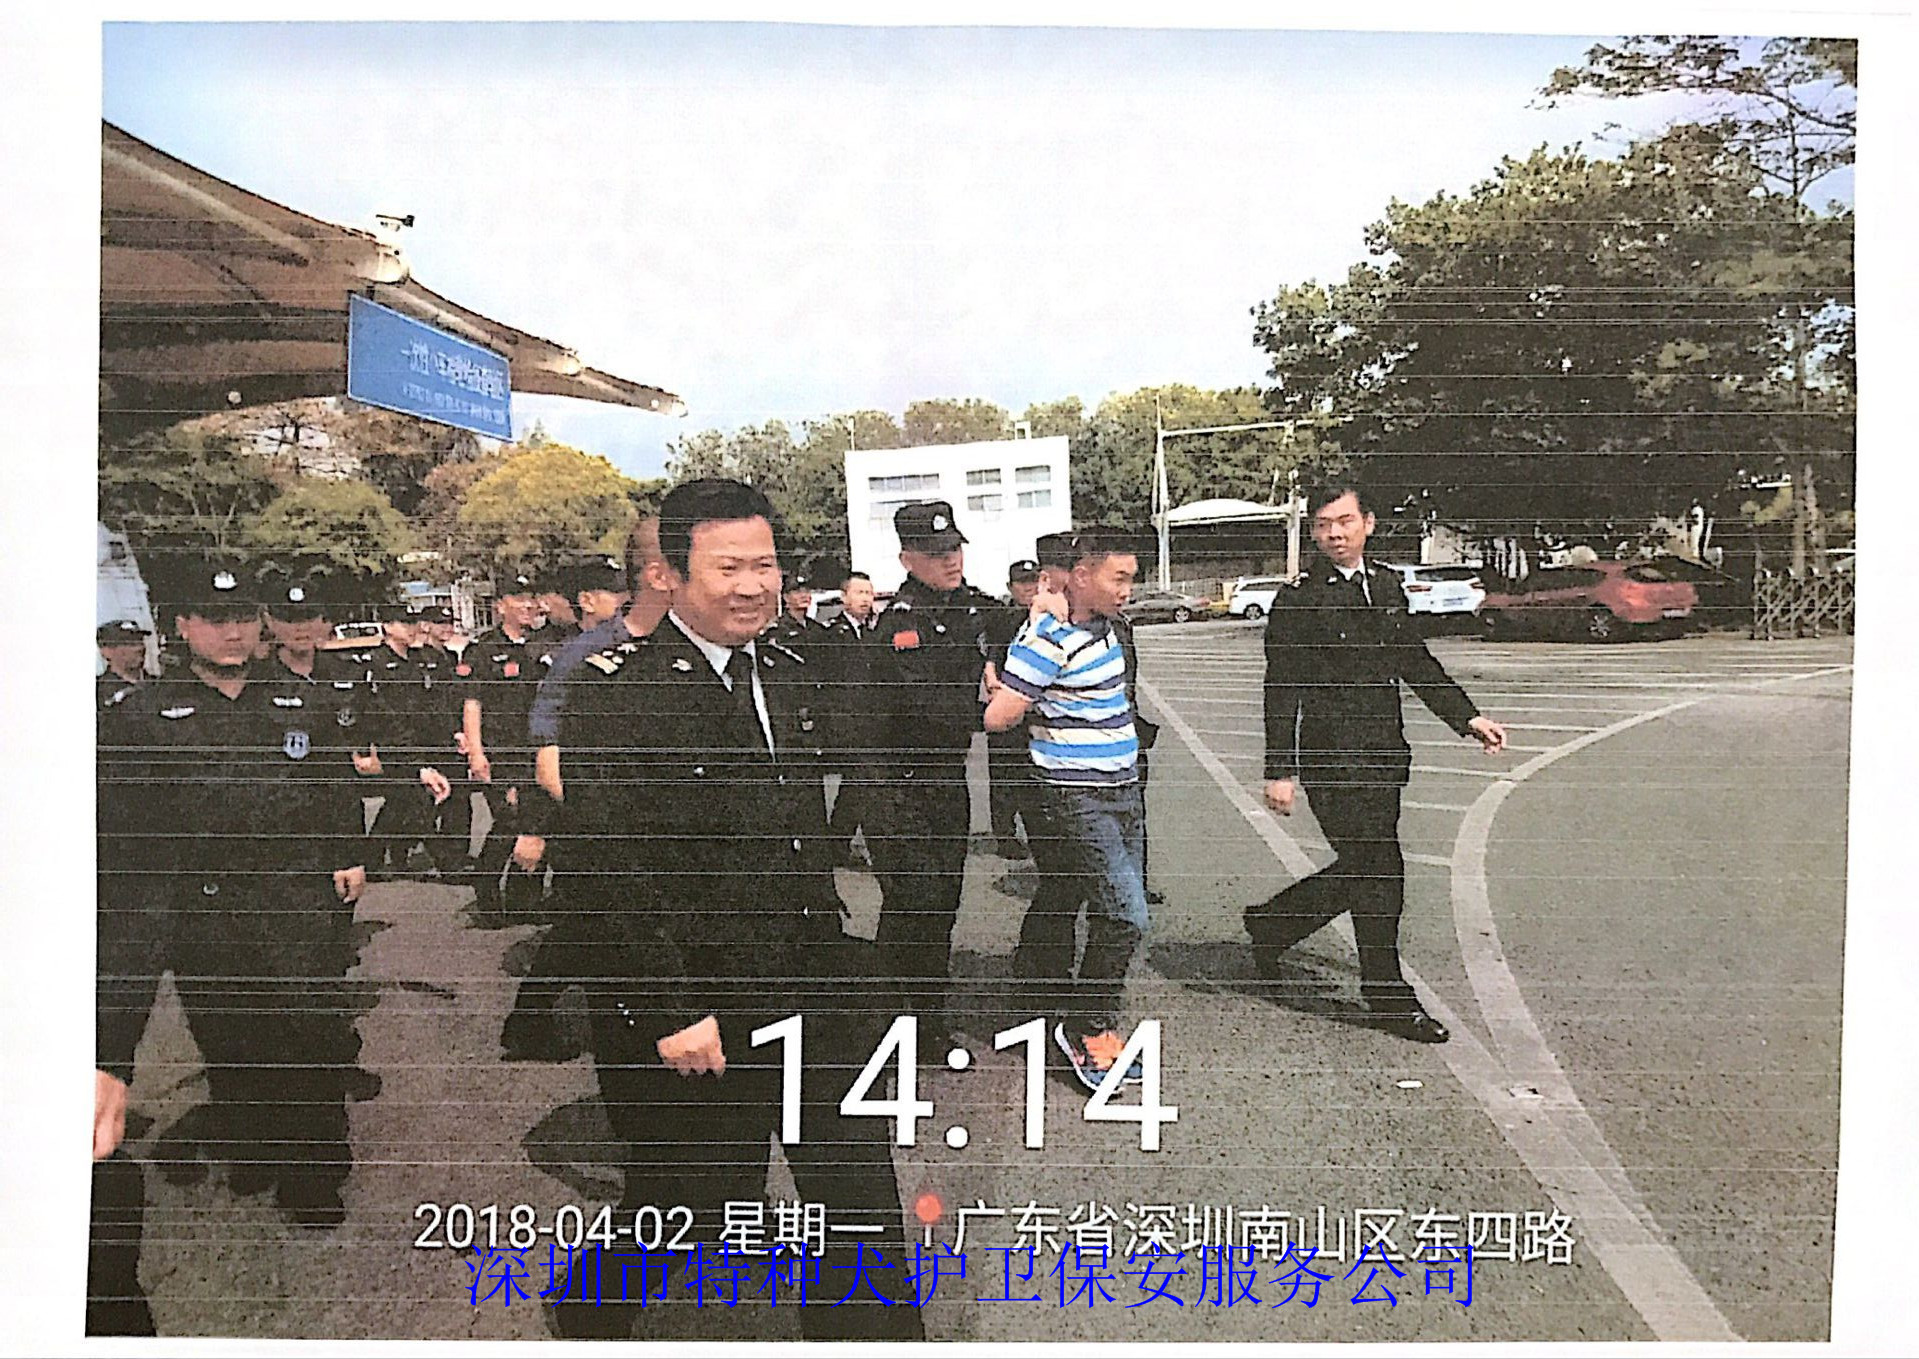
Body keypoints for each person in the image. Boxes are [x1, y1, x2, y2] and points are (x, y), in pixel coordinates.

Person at [550, 479, 922, 1341]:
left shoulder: (785, 672)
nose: (753, 585)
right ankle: (590, 1309)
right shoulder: (619, 696)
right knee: (690, 1187)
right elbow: (608, 869)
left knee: (854, 1188)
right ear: (670, 575)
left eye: (765, 564)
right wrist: (670, 1010)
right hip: (705, 989)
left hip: (812, 973)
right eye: (728, 567)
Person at [97, 560, 369, 1228]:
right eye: (215, 619)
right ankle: (256, 1145)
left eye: (243, 617)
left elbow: (333, 783)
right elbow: (126, 828)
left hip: (294, 899)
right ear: (182, 625)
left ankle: (315, 1173)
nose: (232, 632)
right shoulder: (142, 715)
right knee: (231, 1039)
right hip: (205, 908)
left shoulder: (298, 699)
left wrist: (348, 852)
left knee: (309, 1037)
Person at [1246, 482, 1509, 1043]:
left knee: (1368, 867)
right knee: (1380, 869)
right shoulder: (1299, 599)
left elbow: (1415, 660)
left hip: (1384, 753)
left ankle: (1274, 923)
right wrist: (1280, 770)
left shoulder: (1387, 585)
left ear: (1368, 523)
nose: (1334, 534)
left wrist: (1467, 717)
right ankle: (1387, 996)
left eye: (1344, 521)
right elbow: (1281, 687)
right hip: (1330, 759)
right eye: (1323, 525)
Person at [984, 531, 1150, 1089]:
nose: (1128, 590)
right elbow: (999, 717)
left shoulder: (1107, 628)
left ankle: (1096, 1027)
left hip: (1123, 790)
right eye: (1118, 578)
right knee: (1128, 915)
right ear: (1082, 576)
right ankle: (1083, 1029)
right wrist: (1022, 676)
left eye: (1131, 579)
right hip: (1077, 797)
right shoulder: (1047, 638)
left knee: (1111, 913)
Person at [501, 518, 671, 1062]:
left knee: (590, 934)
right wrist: (551, 828)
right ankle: (532, 1025)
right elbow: (548, 758)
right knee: (588, 932)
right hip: (600, 835)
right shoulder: (584, 657)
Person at [861, 501, 1002, 1052]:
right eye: (937, 553)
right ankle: (887, 1022)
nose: (951, 560)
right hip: (896, 784)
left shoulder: (970, 607)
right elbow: (928, 704)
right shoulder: (900, 625)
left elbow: (1010, 623)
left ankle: (927, 1020)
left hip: (945, 780)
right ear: (907, 559)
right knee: (910, 905)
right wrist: (991, 713)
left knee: (943, 902)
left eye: (955, 548)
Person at [459, 569, 549, 919]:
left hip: (535, 750)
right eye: (519, 599)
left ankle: (524, 895)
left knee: (534, 819)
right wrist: (477, 753)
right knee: (510, 819)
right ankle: (485, 883)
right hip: (500, 751)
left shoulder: (540, 646)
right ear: (500, 606)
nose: (527, 605)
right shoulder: (483, 650)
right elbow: (472, 703)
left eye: (531, 598)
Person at [982, 558, 1042, 860]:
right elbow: (990, 657)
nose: (1029, 588)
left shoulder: (1048, 617)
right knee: (1005, 773)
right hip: (1007, 704)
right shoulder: (1003, 619)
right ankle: (1004, 834)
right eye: (1022, 583)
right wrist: (993, 683)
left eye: (1033, 581)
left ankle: (1038, 833)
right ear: (1010, 586)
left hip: (1038, 708)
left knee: (1034, 774)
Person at [821, 569, 881, 863]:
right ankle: (842, 845)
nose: (865, 599)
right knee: (860, 783)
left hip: (871, 722)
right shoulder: (833, 634)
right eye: (859, 593)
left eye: (869, 593)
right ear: (844, 597)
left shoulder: (873, 632)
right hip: (847, 721)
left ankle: (837, 844)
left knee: (857, 785)